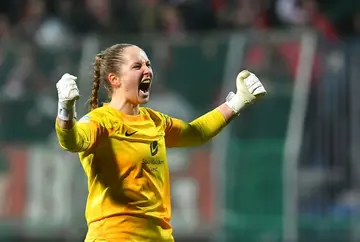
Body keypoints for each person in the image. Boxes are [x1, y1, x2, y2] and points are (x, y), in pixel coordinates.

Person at [55, 43, 266, 242]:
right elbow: (71, 141)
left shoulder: (155, 121)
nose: (147, 71)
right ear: (115, 79)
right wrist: (65, 108)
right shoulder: (100, 121)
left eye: (148, 65)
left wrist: (239, 100)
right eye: (137, 66)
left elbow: (197, 132)